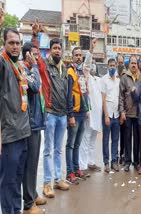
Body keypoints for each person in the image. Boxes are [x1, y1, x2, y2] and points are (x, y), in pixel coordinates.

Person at [32, 27, 70, 197]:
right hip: (50, 113)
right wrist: (35, 36)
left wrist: (69, 114)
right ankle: (47, 183)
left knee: (58, 149)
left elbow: (67, 92)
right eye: (54, 48)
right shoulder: (45, 66)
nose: (57, 50)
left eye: (59, 48)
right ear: (51, 50)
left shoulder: (64, 68)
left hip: (62, 115)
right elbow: (36, 55)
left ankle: (58, 179)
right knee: (48, 149)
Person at [0, 27, 31, 214]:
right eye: (11, 42)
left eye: (18, 43)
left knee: (17, 179)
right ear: (4, 44)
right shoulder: (3, 64)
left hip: (24, 133)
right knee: (8, 181)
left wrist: (34, 37)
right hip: (9, 136)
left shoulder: (19, 66)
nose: (15, 46)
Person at [21, 42, 47, 214]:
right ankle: (29, 204)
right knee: (29, 164)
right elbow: (36, 87)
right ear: (26, 55)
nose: (36, 58)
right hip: (29, 124)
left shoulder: (32, 70)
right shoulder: (25, 70)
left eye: (38, 55)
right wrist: (35, 67)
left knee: (34, 162)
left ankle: (33, 193)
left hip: (36, 122)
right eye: (33, 55)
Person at [65, 46, 90, 184]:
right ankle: (69, 173)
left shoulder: (81, 71)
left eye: (81, 55)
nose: (79, 57)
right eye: (76, 55)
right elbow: (69, 95)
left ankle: (76, 169)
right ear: (72, 56)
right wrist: (70, 115)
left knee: (78, 144)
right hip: (74, 113)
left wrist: (87, 109)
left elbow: (84, 92)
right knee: (70, 144)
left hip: (82, 112)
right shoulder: (70, 71)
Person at [79, 43, 102, 174]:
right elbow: (86, 65)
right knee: (86, 138)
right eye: (91, 63)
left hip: (97, 116)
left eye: (94, 63)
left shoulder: (98, 79)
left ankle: (91, 162)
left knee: (93, 138)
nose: (92, 65)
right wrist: (90, 51)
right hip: (89, 114)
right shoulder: (86, 77)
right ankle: (83, 165)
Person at [120, 56, 140, 172]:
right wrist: (122, 111)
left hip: (137, 114)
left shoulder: (140, 78)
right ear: (129, 65)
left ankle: (136, 162)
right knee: (127, 139)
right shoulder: (124, 78)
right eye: (132, 63)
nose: (133, 65)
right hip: (127, 114)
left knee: (137, 139)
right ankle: (127, 162)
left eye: (135, 63)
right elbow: (121, 97)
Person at [102, 58, 121, 172]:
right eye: (110, 66)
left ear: (116, 66)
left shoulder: (118, 80)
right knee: (105, 139)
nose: (112, 67)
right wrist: (105, 115)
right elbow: (103, 99)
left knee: (115, 139)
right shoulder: (104, 80)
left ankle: (114, 161)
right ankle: (106, 163)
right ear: (108, 66)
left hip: (116, 115)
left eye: (114, 65)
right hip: (108, 115)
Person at [116, 54, 126, 164]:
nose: (120, 64)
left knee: (124, 135)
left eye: (121, 62)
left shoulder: (125, 76)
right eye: (118, 62)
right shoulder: (112, 75)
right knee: (114, 136)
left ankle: (122, 155)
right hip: (113, 112)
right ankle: (114, 156)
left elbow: (123, 96)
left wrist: (122, 111)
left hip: (122, 112)